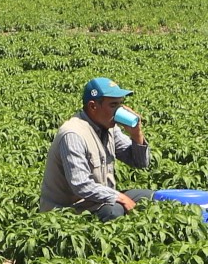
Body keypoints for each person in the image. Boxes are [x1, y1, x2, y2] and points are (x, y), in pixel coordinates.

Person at [38, 77, 152, 217]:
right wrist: (120, 197)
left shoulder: (110, 127)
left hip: (98, 201)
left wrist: (136, 134)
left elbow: (140, 163)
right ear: (93, 106)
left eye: (121, 104)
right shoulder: (73, 134)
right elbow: (81, 185)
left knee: (150, 198)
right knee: (114, 211)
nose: (119, 110)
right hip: (70, 210)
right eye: (113, 105)